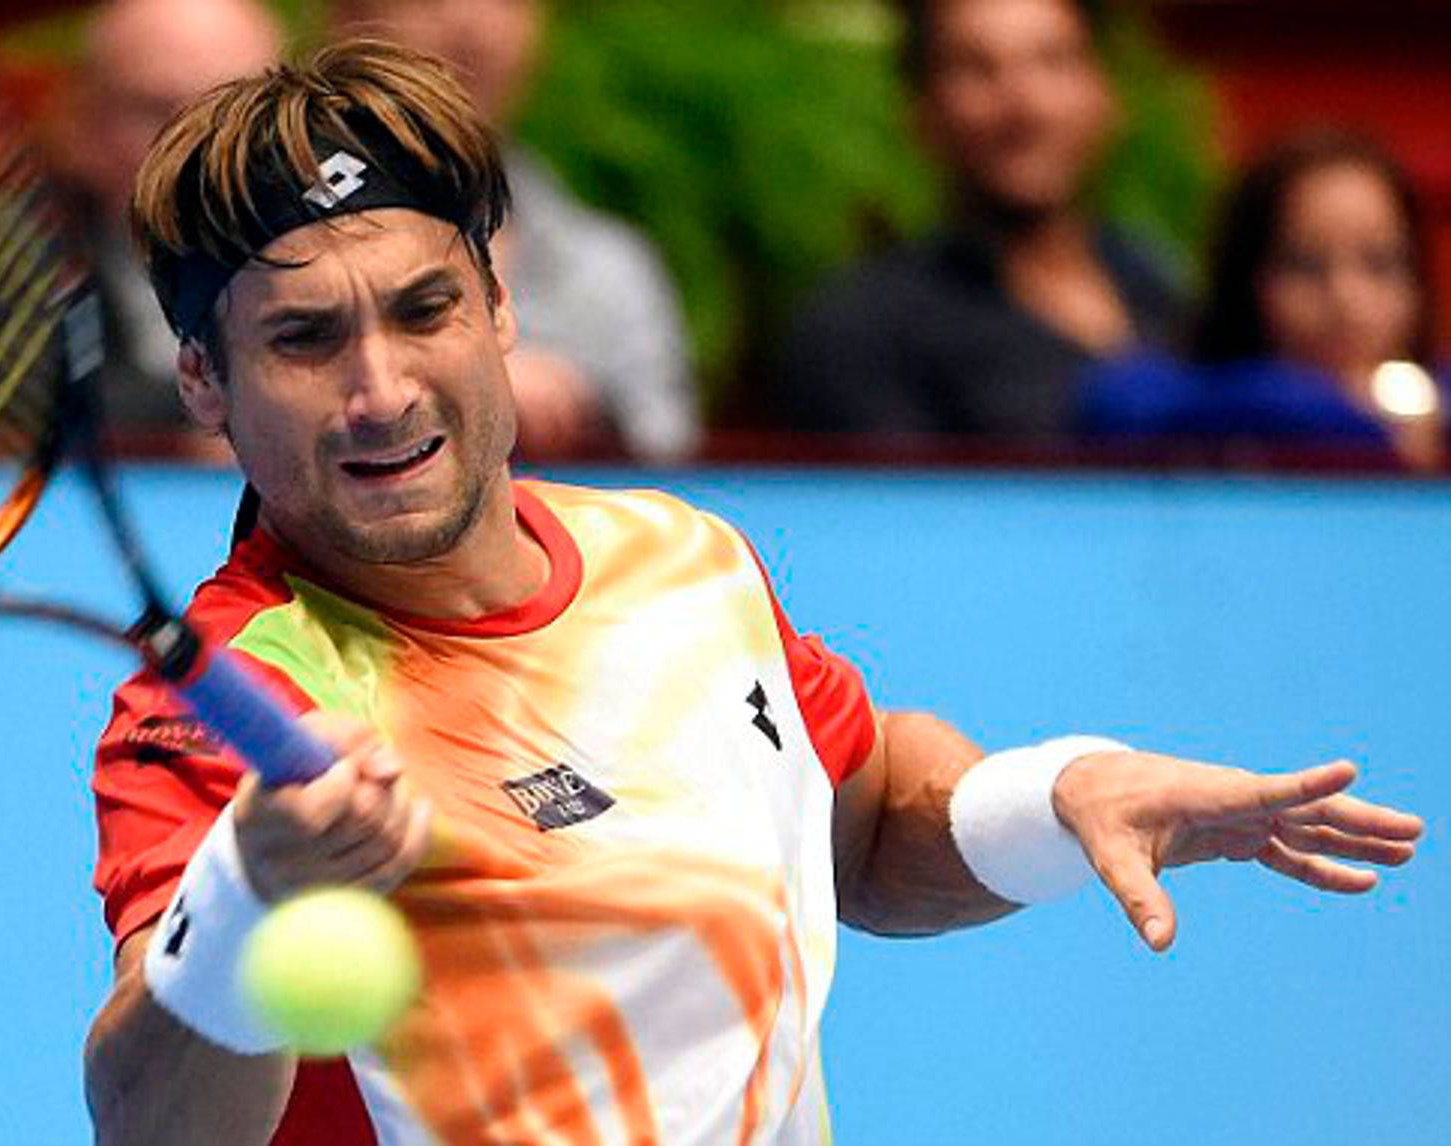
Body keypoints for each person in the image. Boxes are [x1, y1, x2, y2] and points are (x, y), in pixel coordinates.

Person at [79, 41, 1422, 1146]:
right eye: (305, 338)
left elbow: (869, 822)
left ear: (498, 301)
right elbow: (149, 1120)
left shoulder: (683, 559)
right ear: (204, 378)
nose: (381, 388)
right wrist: (247, 892)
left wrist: (1059, 793)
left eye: (424, 309)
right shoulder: (229, 703)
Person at [772, 0, 1181, 441]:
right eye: (978, 70)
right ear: (920, 112)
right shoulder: (859, 331)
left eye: (1053, 62)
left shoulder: (1159, 285)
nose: (1026, 106)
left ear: (1107, 95)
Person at [326, 0, 700, 462]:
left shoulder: (609, 267)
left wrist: (589, 416)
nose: (473, 25)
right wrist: (475, 391)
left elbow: (670, 461)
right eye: (430, 0)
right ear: (342, 20)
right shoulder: (267, 243)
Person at [1081, 129, 1445, 471]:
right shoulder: (1181, 402)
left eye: (1380, 264)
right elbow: (1119, 403)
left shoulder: (1439, 403)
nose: (1346, 299)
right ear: (1246, 278)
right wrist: (1349, 414)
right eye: (1305, 265)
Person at [46, 0, 282, 456]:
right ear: (82, 124)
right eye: (156, 109)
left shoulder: (351, 261)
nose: (196, 142)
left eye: (234, 108)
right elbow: (27, 413)